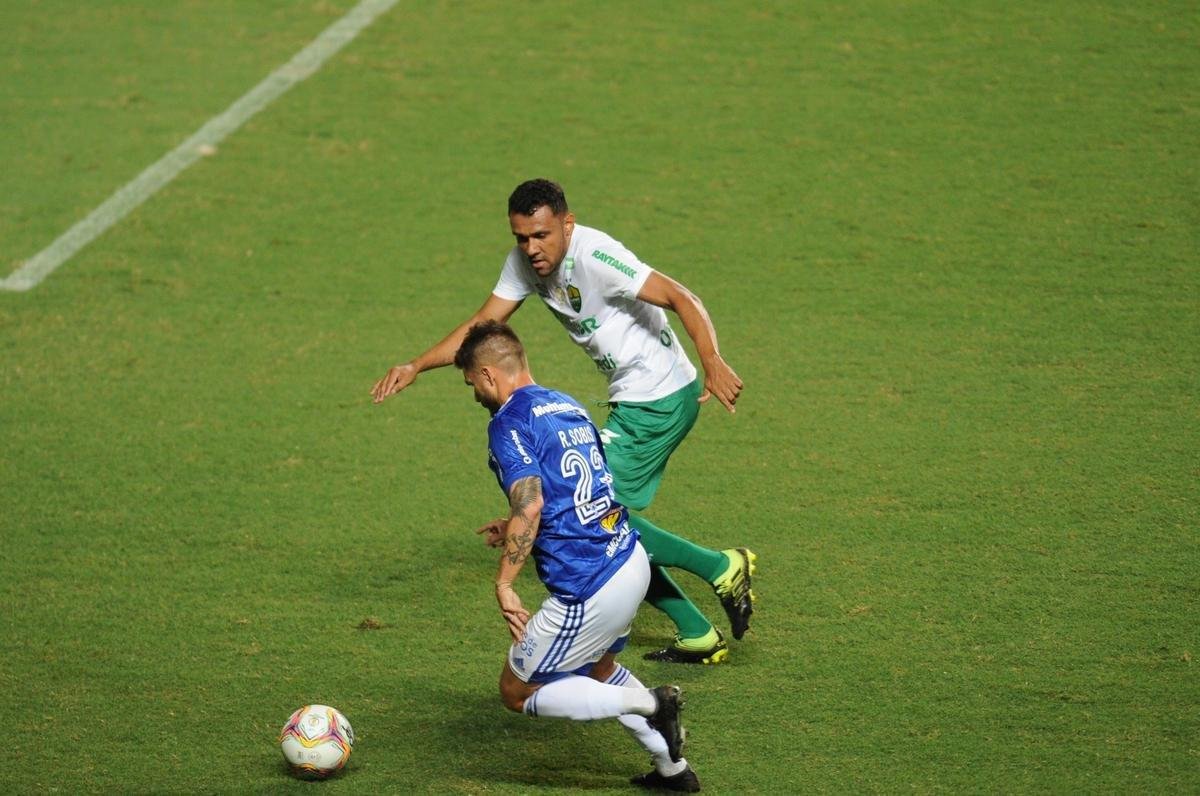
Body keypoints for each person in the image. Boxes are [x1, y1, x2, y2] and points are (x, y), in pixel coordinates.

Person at [373, 178, 755, 663]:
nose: (531, 248)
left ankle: (720, 567)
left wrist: (713, 360)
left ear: (567, 224)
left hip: (659, 397)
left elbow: (682, 297)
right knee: (599, 517)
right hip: (632, 399)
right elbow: (481, 328)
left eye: (541, 235)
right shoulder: (524, 263)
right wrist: (416, 366)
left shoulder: (596, 256)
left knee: (593, 515)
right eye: (521, 238)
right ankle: (696, 630)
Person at [456, 320, 701, 792]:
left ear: (487, 374)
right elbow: (579, 489)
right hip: (629, 559)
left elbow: (531, 503)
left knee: (516, 691)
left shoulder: (508, 421)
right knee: (601, 669)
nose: (476, 396)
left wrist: (504, 583)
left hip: (589, 584)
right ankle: (673, 769)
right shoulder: (566, 404)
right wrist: (513, 524)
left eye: (472, 385)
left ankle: (652, 703)